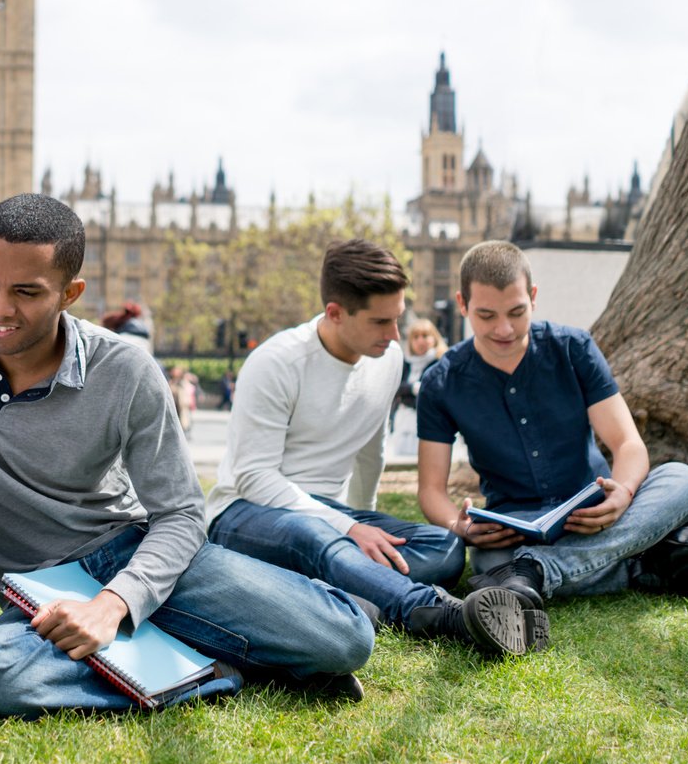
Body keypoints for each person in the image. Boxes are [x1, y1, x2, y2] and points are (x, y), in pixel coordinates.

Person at [0, 194, 375, 718]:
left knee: (346, 638)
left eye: (25, 292)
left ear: (70, 293)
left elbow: (181, 513)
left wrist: (114, 605)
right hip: (36, 587)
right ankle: (211, 671)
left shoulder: (125, 368)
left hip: (129, 551)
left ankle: (178, 632)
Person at [206, 240, 547, 657]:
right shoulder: (276, 362)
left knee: (445, 549)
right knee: (315, 536)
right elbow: (253, 477)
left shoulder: (386, 359)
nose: (395, 335)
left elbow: (371, 453)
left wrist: (362, 527)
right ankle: (436, 612)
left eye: (398, 319)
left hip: (331, 513)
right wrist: (347, 530)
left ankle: (335, 593)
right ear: (335, 312)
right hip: (244, 512)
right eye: (380, 322)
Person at [416, 241, 688, 606]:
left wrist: (624, 493)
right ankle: (641, 557)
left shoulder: (573, 348)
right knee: (488, 563)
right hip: (515, 527)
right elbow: (431, 490)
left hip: (592, 510)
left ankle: (535, 573)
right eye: (486, 316)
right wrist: (458, 526)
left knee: (684, 480)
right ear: (463, 305)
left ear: (533, 297)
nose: (504, 328)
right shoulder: (440, 382)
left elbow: (627, 444)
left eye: (517, 312)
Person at [388, 317, 446, 455]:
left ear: (434, 338)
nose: (421, 341)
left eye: (425, 336)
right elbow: (395, 387)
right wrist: (413, 388)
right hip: (403, 422)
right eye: (416, 337)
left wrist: (410, 391)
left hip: (428, 423)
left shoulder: (440, 362)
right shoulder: (406, 363)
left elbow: (434, 391)